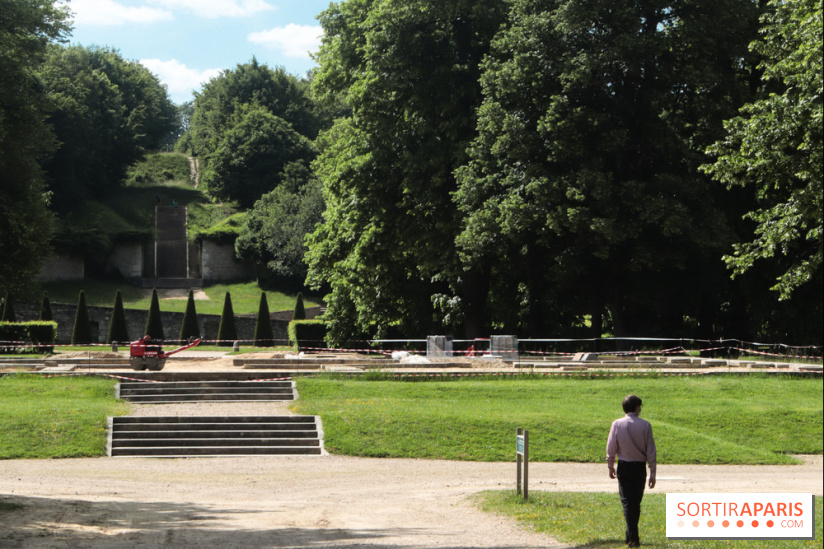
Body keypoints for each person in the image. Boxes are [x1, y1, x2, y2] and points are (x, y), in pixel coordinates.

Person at [606, 394, 656, 548]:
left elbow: (611, 447)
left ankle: (631, 536)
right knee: (635, 502)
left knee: (627, 502)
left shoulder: (617, 424)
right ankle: (633, 537)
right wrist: (652, 472)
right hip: (639, 467)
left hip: (624, 466)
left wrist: (610, 465)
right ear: (636, 407)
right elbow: (651, 451)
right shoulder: (645, 425)